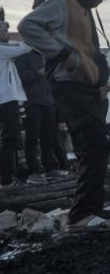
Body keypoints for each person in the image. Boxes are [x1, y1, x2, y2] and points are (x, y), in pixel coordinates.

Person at [18, 0, 110, 232]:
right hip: (68, 85)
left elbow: (89, 51)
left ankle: (92, 209)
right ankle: (80, 217)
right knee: (93, 143)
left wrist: (100, 78)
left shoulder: (84, 10)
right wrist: (63, 55)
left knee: (98, 145)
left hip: (85, 87)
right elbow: (27, 27)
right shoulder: (62, 3)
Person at [15, 51, 67, 184]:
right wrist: (37, 73)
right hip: (32, 102)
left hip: (49, 101)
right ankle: (34, 172)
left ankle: (50, 169)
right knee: (32, 139)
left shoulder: (47, 55)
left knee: (48, 138)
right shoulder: (22, 54)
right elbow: (20, 77)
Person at [0, 22, 32, 189]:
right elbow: (25, 48)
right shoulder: (2, 49)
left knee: (8, 138)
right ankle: (7, 180)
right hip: (5, 100)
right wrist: (31, 32)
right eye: (4, 30)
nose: (7, 33)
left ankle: (10, 176)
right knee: (9, 138)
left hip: (5, 99)